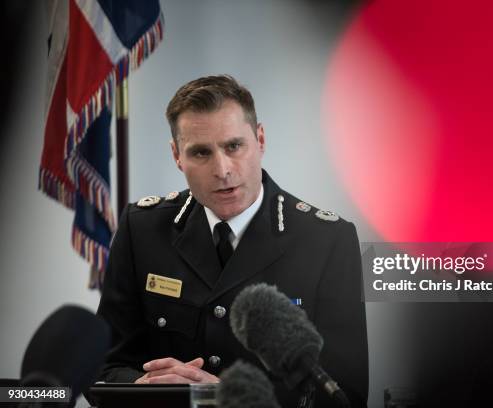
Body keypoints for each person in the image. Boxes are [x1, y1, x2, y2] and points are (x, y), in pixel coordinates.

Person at [96, 75, 368, 407]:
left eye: (234, 146)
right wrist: (143, 386)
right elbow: (102, 367)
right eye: (200, 152)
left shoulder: (327, 241)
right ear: (177, 156)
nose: (222, 169)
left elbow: (345, 396)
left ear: (261, 140)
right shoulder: (142, 230)